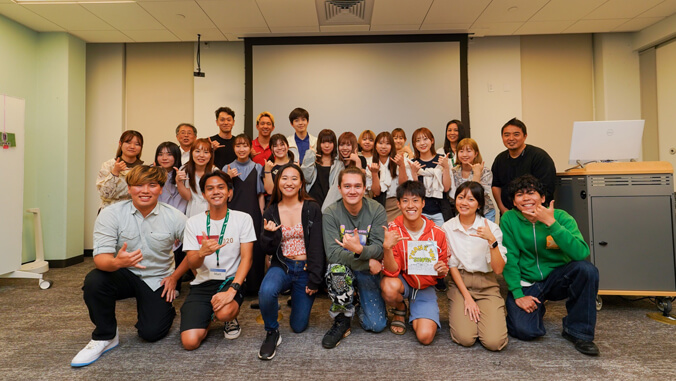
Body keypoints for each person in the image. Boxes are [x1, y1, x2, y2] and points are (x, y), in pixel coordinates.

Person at [72, 165, 188, 367]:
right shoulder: (110, 214)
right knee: (95, 280)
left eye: (152, 185)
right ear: (129, 188)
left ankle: (166, 309)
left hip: (157, 278)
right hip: (123, 272)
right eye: (139, 185)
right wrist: (117, 262)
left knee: (151, 333)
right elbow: (100, 258)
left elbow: (195, 253)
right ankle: (105, 336)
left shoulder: (175, 216)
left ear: (160, 189)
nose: (145, 190)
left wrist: (175, 277)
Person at [500, 174, 599, 356]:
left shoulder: (561, 217)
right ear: (514, 202)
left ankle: (579, 332)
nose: (526, 198)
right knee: (525, 331)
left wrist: (551, 223)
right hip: (528, 281)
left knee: (587, 270)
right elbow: (510, 258)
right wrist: (517, 294)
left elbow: (581, 253)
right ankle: (536, 307)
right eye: (520, 195)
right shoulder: (509, 220)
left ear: (543, 198)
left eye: (531, 193)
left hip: (557, 278)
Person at [179, 171, 255, 350]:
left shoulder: (243, 219)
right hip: (203, 283)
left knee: (224, 312)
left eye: (221, 187)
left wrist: (233, 290)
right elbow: (193, 264)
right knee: (190, 343)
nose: (216, 192)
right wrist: (201, 253)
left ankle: (228, 317)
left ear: (230, 192)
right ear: (204, 194)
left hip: (230, 280)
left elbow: (247, 259)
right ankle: (206, 316)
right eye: (210, 189)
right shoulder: (193, 223)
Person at [258, 164, 325, 360]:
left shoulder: (312, 208)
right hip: (283, 265)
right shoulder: (270, 211)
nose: (289, 182)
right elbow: (267, 249)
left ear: (301, 183)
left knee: (298, 327)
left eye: (294, 178)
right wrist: (269, 235)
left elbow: (317, 246)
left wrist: (314, 278)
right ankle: (272, 332)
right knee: (266, 291)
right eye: (284, 178)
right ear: (278, 183)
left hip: (305, 269)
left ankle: (294, 300)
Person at [321, 167, 388, 349]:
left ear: (364, 187)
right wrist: (366, 259)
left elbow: (380, 249)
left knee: (376, 325)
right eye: (347, 186)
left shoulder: (376, 210)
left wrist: (359, 249)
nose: (352, 191)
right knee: (336, 270)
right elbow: (333, 254)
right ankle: (342, 318)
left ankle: (355, 301)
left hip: (367, 272)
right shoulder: (330, 213)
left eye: (357, 186)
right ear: (340, 188)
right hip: (352, 267)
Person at [442, 181, 508, 351]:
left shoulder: (491, 228)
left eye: (471, 199)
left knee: (494, 343)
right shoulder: (447, 228)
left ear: (479, 204)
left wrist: (491, 241)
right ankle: (473, 315)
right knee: (465, 338)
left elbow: (499, 269)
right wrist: (468, 298)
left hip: (487, 284)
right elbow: (452, 266)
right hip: (460, 284)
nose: (464, 203)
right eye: (461, 197)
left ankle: (488, 314)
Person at [381, 181, 449, 345]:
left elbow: (443, 269)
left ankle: (418, 308)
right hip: (403, 282)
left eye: (415, 200)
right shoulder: (392, 230)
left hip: (425, 287)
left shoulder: (437, 233)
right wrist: (387, 248)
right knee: (389, 287)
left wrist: (442, 270)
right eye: (405, 201)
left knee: (425, 337)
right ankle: (400, 308)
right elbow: (391, 272)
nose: (410, 205)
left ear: (423, 203)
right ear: (398, 204)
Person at [225, 134, 266, 296]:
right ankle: (235, 285)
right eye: (238, 146)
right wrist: (228, 179)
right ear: (233, 148)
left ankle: (254, 287)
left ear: (251, 148)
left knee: (255, 250)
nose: (241, 149)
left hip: (253, 213)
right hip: (232, 213)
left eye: (245, 146)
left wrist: (262, 217)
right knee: (234, 249)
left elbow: (260, 195)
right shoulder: (226, 168)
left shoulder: (257, 167)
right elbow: (225, 197)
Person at [491, 117, 556, 214]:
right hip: (508, 214)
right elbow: (496, 185)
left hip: (536, 214)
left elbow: (547, 189)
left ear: (525, 136)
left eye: (516, 134)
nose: (511, 138)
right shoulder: (500, 159)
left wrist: (532, 211)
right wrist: (502, 209)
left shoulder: (539, 157)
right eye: (506, 135)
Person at [409, 127, 452, 226]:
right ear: (414, 144)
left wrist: (445, 168)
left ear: (432, 140)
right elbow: (415, 193)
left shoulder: (442, 160)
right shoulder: (413, 164)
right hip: (421, 211)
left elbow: (446, 188)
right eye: (418, 140)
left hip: (441, 211)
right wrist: (414, 174)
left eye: (425, 139)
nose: (422, 143)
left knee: (442, 239)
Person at [96, 130, 144, 209]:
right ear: (120, 143)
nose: (132, 146)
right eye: (128, 143)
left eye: (137, 144)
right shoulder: (108, 165)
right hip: (110, 211)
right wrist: (115, 172)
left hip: (133, 212)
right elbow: (104, 194)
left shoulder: (143, 169)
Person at [369, 131, 410, 222]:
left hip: (398, 205)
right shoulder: (370, 163)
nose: (383, 147)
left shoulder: (401, 160)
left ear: (392, 146)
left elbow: (404, 185)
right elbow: (376, 192)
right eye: (380, 143)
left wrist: (401, 165)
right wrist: (374, 173)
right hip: (378, 206)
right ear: (375, 146)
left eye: (387, 143)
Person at [452, 138, 496, 222]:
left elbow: (478, 195)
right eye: (461, 151)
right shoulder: (453, 172)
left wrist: (477, 174)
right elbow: (452, 195)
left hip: (485, 212)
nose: (464, 154)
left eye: (468, 151)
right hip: (463, 212)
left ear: (476, 153)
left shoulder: (485, 171)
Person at [302, 129, 344, 211]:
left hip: (330, 207)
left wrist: (327, 209)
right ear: (319, 144)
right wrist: (310, 156)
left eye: (330, 142)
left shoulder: (339, 164)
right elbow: (306, 178)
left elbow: (337, 190)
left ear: (334, 144)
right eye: (323, 142)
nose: (327, 145)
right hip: (311, 205)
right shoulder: (313, 160)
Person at [176, 138, 218, 218]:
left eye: (206, 152)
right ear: (191, 153)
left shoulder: (215, 171)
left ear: (211, 155)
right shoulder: (185, 170)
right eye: (197, 151)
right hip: (193, 209)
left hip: (212, 209)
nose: (201, 155)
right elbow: (187, 197)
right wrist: (179, 182)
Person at [154, 141, 187, 214]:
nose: (164, 158)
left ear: (177, 156)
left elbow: (183, 202)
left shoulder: (182, 173)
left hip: (176, 215)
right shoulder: (151, 172)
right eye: (160, 154)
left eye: (169, 154)